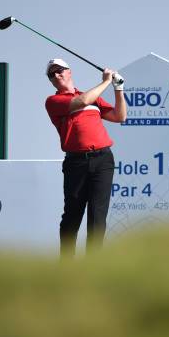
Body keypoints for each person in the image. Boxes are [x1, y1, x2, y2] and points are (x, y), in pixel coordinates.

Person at [44, 58, 126, 258]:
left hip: (103, 160)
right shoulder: (54, 101)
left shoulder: (92, 97)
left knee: (98, 218)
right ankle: (67, 266)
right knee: (72, 216)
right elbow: (82, 102)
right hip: (76, 163)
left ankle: (93, 267)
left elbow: (119, 116)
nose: (56, 75)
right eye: (51, 74)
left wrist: (118, 89)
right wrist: (106, 81)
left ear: (69, 72)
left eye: (59, 70)